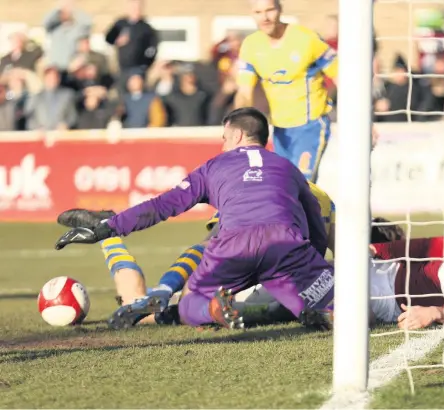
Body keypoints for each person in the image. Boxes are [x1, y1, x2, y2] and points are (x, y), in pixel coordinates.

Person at [55, 107, 335, 331]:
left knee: (191, 302)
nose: (222, 144)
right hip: (285, 246)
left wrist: (109, 226)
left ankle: (211, 309)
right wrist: (314, 266)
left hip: (233, 245)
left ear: (237, 136)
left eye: (224, 138)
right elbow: (315, 220)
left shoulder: (212, 167)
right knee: (335, 304)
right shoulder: (287, 167)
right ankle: (322, 311)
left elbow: (163, 205)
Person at [55, 180, 337, 328]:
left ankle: (111, 236)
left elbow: (204, 248)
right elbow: (345, 249)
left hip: (256, 280)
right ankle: (179, 306)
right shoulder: (318, 197)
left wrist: (167, 289)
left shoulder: (249, 193)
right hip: (276, 282)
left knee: (143, 302)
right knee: (280, 306)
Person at [234, 0, 338, 183]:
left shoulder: (306, 39)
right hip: (280, 129)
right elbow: (244, 92)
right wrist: (238, 125)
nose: (265, 17)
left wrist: (363, 119)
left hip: (311, 124)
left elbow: (343, 77)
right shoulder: (251, 46)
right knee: (283, 186)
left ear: (280, 9)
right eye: (258, 12)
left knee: (300, 184)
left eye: (270, 10)